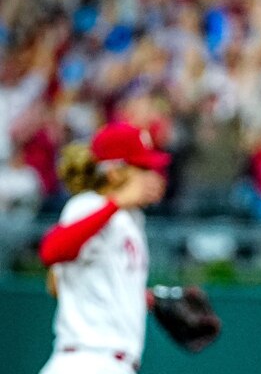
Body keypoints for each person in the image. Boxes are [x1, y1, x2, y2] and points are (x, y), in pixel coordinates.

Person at [37, 122, 169, 374]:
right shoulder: (89, 205)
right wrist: (114, 203)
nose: (153, 175)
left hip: (109, 362)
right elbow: (51, 250)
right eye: (142, 167)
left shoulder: (130, 220)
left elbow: (80, 282)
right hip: (87, 360)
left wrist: (148, 299)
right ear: (115, 172)